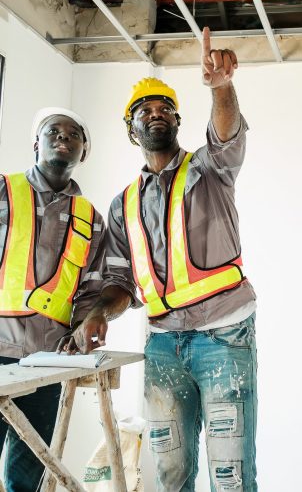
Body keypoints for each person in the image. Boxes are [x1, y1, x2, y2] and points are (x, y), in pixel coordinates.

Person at [63, 27, 258, 491]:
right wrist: (96, 315)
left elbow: (227, 134)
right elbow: (120, 283)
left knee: (231, 473)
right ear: (131, 131)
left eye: (164, 108)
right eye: (144, 111)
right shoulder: (122, 204)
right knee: (170, 474)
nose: (155, 114)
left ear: (177, 120)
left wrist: (221, 88)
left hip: (223, 335)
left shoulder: (209, 170)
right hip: (163, 344)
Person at [0, 107, 105, 492]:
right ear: (35, 144)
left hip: (47, 361)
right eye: (52, 131)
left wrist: (81, 330)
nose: (63, 137)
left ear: (83, 152)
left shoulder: (90, 218)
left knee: (27, 475)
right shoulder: (4, 190)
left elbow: (91, 290)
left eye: (73, 134)